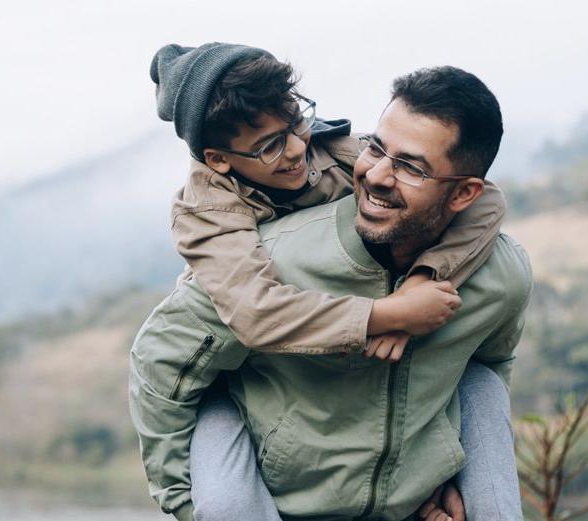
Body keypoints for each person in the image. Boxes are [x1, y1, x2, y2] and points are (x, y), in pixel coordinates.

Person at [129, 61, 530, 520]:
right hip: (240, 367)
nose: (296, 149)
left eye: (296, 124)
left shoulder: (330, 149)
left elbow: (490, 200)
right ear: (219, 158)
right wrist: (385, 315)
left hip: (399, 485)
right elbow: (247, 317)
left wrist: (429, 277)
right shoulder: (213, 216)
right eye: (269, 147)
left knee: (480, 382)